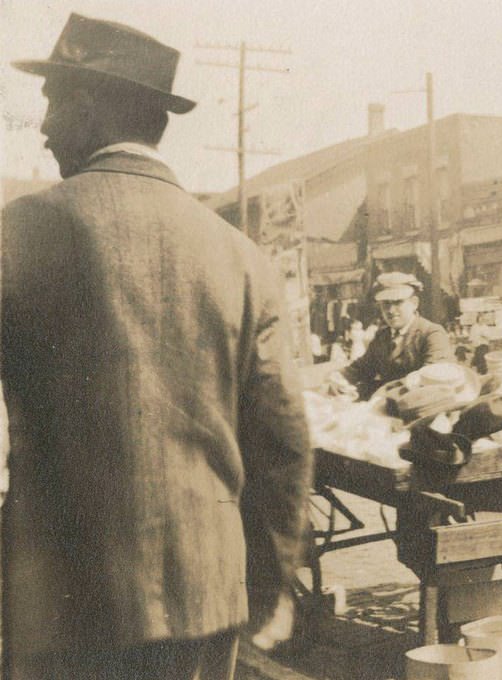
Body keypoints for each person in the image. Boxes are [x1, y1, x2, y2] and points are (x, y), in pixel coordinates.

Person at [2, 14, 313, 679]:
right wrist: (271, 587)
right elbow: (283, 444)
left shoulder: (21, 231)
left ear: (89, 107)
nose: (47, 126)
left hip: (63, 599)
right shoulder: (242, 257)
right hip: (205, 595)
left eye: (54, 102)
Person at [326, 272, 454, 400]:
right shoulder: (382, 336)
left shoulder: (432, 334)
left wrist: (386, 390)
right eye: (386, 304)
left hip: (422, 408)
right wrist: (338, 377)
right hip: (390, 407)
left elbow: (431, 379)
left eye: (398, 302)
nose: (391, 311)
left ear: (414, 303)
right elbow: (362, 367)